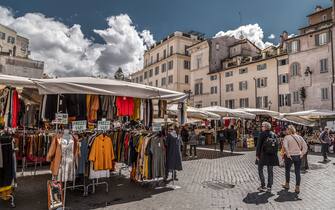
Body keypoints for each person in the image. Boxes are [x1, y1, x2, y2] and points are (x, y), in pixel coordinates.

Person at [282, 125, 308, 194]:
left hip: (289, 156)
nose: (286, 131)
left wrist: (288, 154)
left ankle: (287, 184)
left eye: (287, 129)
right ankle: (297, 187)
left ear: (289, 130)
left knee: (287, 170)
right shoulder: (299, 137)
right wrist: (302, 154)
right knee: (297, 172)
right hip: (298, 156)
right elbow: (305, 146)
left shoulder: (287, 137)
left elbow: (285, 146)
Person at [256, 122, 279, 192]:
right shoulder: (274, 134)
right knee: (270, 171)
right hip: (271, 155)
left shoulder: (262, 134)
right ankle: (269, 186)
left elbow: (259, 145)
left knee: (260, 169)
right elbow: (277, 146)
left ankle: (263, 185)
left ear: (265, 127)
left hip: (263, 155)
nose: (261, 127)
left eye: (262, 126)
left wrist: (257, 155)